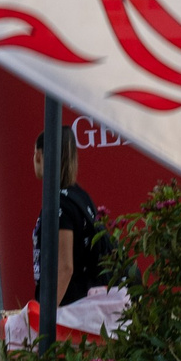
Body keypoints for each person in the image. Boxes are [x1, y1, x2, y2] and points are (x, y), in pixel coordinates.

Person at [34, 132, 110, 314]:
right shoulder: (79, 195)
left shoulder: (59, 205)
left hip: (70, 309)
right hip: (84, 302)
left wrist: (44, 318)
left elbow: (65, 267)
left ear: (39, 155)